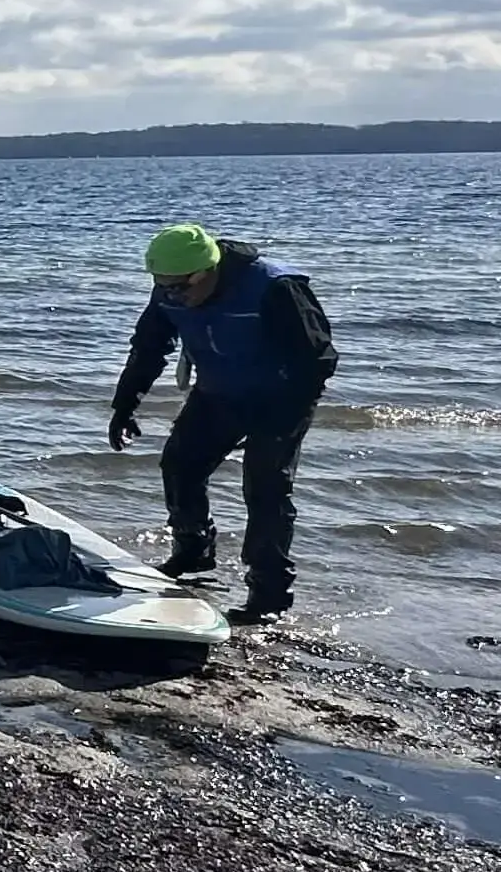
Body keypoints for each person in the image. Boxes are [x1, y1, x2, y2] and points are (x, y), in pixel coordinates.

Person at [108, 223, 339, 623]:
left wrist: (279, 421)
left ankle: (269, 596)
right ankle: (194, 552)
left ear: (209, 269)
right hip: (218, 394)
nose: (172, 295)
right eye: (162, 286)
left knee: (266, 489)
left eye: (180, 287)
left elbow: (318, 361)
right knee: (180, 465)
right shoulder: (170, 289)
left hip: (281, 400)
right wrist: (125, 406)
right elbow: (149, 347)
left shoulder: (276, 288)